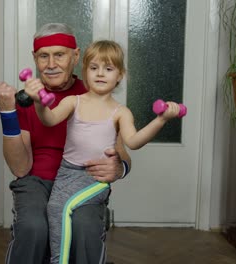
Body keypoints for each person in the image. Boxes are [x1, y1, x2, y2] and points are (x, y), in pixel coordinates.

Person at [24, 39, 181, 264]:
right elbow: (49, 120)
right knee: (54, 209)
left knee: (60, 206)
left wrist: (161, 120)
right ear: (85, 71)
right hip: (66, 172)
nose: (100, 74)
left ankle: (58, 261)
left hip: (94, 178)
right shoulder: (73, 102)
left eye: (108, 69)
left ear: (119, 75)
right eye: (94, 68)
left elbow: (134, 142)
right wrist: (39, 102)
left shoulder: (120, 112)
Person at [0, 23, 131, 264]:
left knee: (84, 227)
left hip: (82, 179)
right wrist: (8, 115)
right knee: (34, 227)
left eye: (59, 55)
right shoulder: (28, 98)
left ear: (75, 56)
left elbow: (122, 153)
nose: (51, 64)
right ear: (34, 59)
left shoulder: (95, 92)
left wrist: (120, 168)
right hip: (36, 180)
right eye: (44, 56)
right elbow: (20, 168)